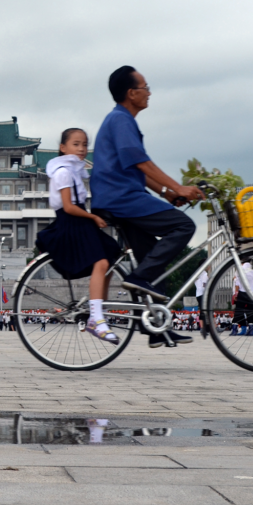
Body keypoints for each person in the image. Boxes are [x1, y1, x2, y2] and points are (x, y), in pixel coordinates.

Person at [90, 66, 204, 349]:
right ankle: (139, 278)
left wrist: (165, 193)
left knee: (153, 259)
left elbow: (136, 167)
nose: (149, 92)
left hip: (122, 195)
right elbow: (140, 162)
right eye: (145, 87)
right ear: (132, 93)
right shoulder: (120, 120)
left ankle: (157, 327)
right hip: (121, 198)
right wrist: (177, 188)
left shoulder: (122, 120)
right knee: (183, 226)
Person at [36, 128, 122, 344]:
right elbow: (68, 206)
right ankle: (96, 318)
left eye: (84, 144)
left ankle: (98, 307)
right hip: (71, 223)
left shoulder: (75, 171)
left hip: (79, 221)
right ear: (63, 148)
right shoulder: (64, 172)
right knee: (101, 262)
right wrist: (92, 218)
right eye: (76, 144)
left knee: (113, 255)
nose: (82, 149)